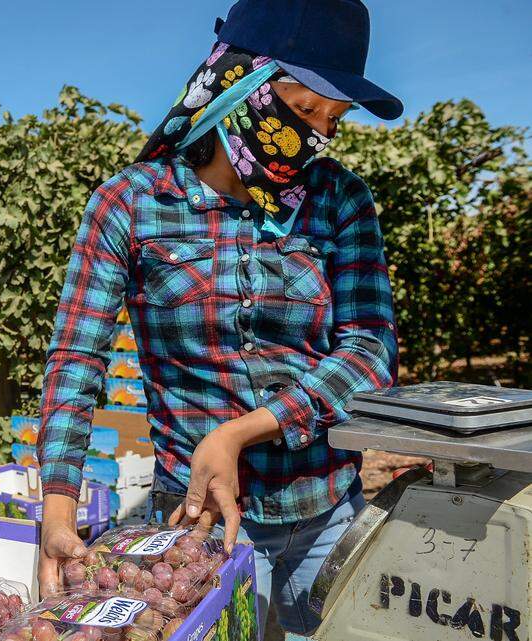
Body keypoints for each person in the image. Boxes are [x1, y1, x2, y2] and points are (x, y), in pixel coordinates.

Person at [36, 0, 400, 636]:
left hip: (325, 508)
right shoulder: (133, 203)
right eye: (305, 109)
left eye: (334, 120)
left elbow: (370, 348)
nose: (318, 134)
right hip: (201, 527)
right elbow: (77, 357)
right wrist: (59, 508)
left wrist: (240, 433)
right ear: (242, 83)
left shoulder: (339, 199)